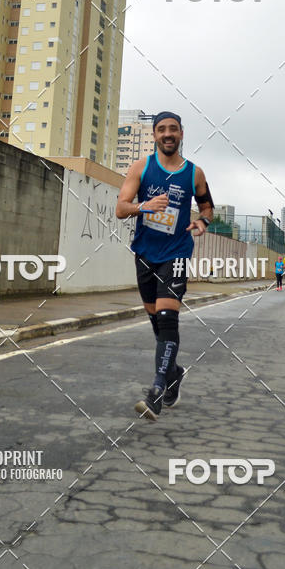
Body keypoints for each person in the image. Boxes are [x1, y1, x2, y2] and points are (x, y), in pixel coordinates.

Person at [115, 111, 213, 421]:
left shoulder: (194, 173)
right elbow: (121, 208)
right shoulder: (141, 168)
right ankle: (175, 373)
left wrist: (201, 221)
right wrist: (145, 205)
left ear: (181, 134)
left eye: (173, 129)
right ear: (155, 135)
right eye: (161, 130)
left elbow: (208, 206)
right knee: (158, 325)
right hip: (145, 253)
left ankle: (157, 390)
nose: (167, 134)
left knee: (169, 319)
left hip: (178, 254)